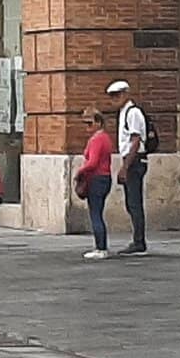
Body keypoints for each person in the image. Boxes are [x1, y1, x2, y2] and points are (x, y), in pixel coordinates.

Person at [108, 80, 148, 255]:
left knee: (134, 202)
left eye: (117, 95)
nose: (114, 100)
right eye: (112, 97)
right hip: (131, 160)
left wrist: (125, 166)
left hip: (135, 160)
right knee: (131, 203)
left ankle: (139, 241)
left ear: (126, 94)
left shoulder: (133, 113)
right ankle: (137, 239)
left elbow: (135, 140)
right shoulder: (124, 113)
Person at [76, 107, 113, 259]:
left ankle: (101, 247)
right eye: (85, 124)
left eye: (90, 124)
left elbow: (92, 162)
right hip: (105, 178)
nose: (87, 128)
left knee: (95, 213)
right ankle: (101, 246)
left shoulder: (97, 139)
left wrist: (80, 172)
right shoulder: (105, 138)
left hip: (97, 179)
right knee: (98, 212)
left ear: (98, 122)